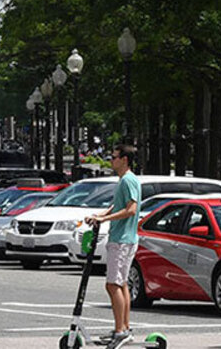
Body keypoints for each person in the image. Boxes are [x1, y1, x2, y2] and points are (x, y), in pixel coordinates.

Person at [84, 144, 141, 349]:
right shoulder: (126, 180)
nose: (111, 161)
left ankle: (120, 331)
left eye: (114, 157)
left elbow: (131, 209)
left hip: (122, 239)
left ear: (124, 159)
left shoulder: (127, 180)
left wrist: (106, 218)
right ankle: (123, 328)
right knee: (121, 283)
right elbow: (120, 205)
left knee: (112, 285)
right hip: (125, 238)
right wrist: (101, 215)